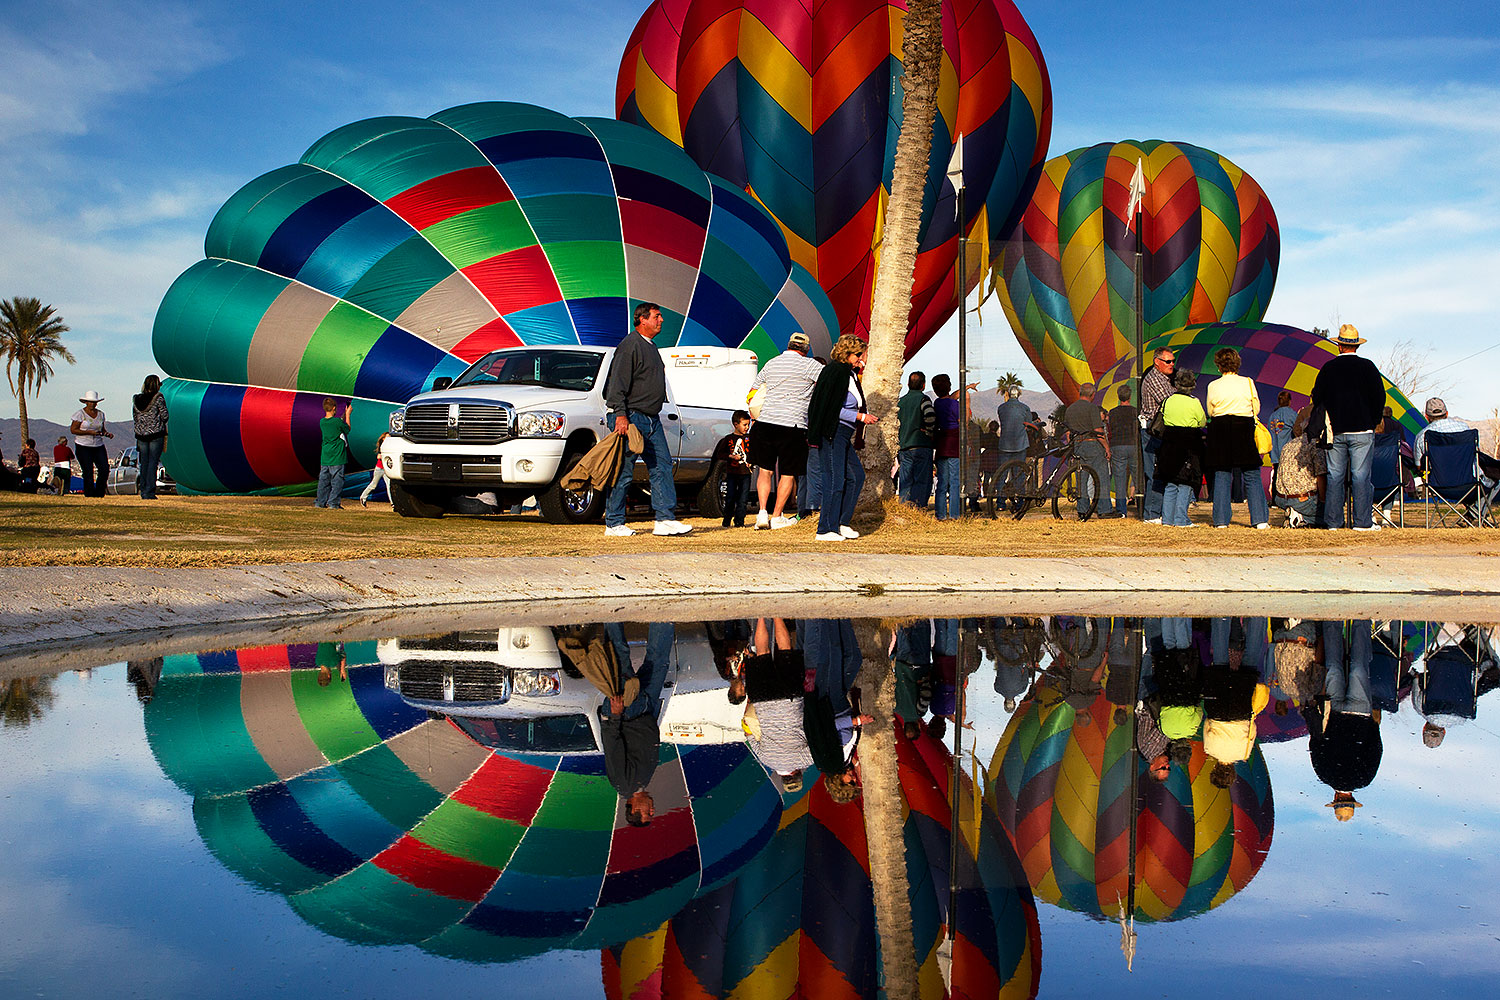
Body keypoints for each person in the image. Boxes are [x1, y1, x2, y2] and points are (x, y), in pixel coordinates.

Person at [603, 302, 692, 537]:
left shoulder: (651, 347)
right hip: (631, 417)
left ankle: (664, 519)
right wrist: (621, 415)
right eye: (656, 316)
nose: (661, 320)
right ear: (642, 319)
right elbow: (617, 384)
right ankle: (614, 523)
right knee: (624, 470)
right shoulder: (629, 345)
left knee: (662, 465)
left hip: (652, 419)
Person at [1311, 324, 1385, 530]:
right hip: (1363, 430)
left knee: (1335, 476)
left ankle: (1333, 522)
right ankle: (1362, 522)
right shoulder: (1368, 367)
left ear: (1339, 345)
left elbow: (1317, 396)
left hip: (1336, 431)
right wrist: (1373, 420)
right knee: (1361, 476)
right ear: (1357, 346)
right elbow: (1379, 397)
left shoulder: (1328, 368)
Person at [747, 331, 822, 529]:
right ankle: (777, 516)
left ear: (788, 345)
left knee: (765, 471)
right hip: (793, 425)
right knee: (787, 473)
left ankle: (762, 512)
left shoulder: (771, 363)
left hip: (765, 423)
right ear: (806, 349)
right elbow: (827, 384)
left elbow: (753, 392)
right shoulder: (810, 365)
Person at [806, 335, 877, 541]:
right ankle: (824, 529)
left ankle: (841, 522)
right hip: (832, 432)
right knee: (834, 480)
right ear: (847, 353)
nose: (860, 358)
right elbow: (831, 408)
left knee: (856, 476)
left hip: (844, 434)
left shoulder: (849, 374)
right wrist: (860, 417)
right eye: (858, 354)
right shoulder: (835, 372)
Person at [743, 618, 814, 794]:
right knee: (762, 652)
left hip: (791, 699)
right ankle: (761, 616)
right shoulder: (766, 760)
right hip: (762, 700)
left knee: (785, 650)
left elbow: (816, 735)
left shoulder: (805, 760)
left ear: (798, 775)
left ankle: (776, 615)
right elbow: (748, 733)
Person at [1205, 347, 1270, 529]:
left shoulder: (1213, 385)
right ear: (1237, 363)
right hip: (1243, 428)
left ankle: (1221, 521)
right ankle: (1260, 520)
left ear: (1218, 365)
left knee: (1222, 474)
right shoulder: (1247, 382)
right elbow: (1256, 408)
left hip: (1220, 428)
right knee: (1251, 474)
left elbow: (1210, 411)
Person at [1155, 370, 1206, 527]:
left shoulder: (1168, 400)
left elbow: (1163, 418)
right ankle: (1181, 519)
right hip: (1188, 444)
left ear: (1176, 384)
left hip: (1169, 443)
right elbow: (1202, 422)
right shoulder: (1194, 402)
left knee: (1171, 482)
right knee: (1186, 482)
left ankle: (1167, 519)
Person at [1273, 404, 1327, 527]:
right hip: (1302, 499)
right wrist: (1324, 501)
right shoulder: (1315, 445)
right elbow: (1321, 476)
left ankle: (1294, 514)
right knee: (1331, 517)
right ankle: (1301, 517)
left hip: (1281, 498)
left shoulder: (1288, 445)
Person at [1140, 348, 1176, 523]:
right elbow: (1170, 401)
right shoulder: (1154, 379)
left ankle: (1158, 511)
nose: (1172, 364)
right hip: (1153, 431)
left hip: (1161, 430)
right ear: (1157, 362)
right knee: (1155, 472)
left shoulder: (1165, 379)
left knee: (1161, 471)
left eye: (1173, 361)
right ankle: (1152, 514)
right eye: (1168, 361)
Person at [1063, 383, 1110, 518]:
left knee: (1081, 479)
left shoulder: (1070, 409)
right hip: (1092, 444)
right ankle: (1104, 509)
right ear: (1092, 395)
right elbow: (1098, 430)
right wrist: (1106, 447)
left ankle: (1082, 509)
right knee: (1101, 477)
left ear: (1080, 393)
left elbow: (1067, 433)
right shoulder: (1092, 408)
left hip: (1078, 445)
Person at [897, 371, 936, 507]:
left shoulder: (900, 401)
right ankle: (918, 508)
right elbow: (930, 417)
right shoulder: (924, 399)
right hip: (921, 445)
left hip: (904, 447)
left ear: (908, 384)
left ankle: (904, 508)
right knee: (922, 481)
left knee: (905, 481)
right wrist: (929, 432)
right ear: (923, 385)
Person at [711, 410, 754, 527]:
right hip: (732, 473)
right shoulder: (728, 439)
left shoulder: (749, 438)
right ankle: (727, 519)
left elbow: (754, 453)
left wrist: (751, 461)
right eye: (744, 425)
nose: (747, 427)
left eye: (748, 424)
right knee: (730, 497)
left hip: (746, 473)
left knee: (743, 499)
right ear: (736, 424)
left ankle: (740, 521)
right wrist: (731, 456)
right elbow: (720, 454)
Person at [132, 374, 169, 500]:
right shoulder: (158, 398)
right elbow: (165, 416)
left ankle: (143, 490)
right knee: (153, 463)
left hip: (141, 435)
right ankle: (149, 491)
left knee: (144, 463)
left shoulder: (136, 399)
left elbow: (135, 417)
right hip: (155, 434)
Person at [70, 390, 113, 497]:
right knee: (88, 471)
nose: (92, 404)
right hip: (83, 446)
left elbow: (102, 429)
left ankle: (99, 492)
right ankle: (89, 493)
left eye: (94, 402)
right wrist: (89, 432)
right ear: (86, 402)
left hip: (98, 445)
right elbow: (73, 430)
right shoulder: (80, 414)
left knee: (104, 468)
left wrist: (106, 434)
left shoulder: (101, 414)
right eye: (90, 402)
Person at [995, 386, 1031, 510]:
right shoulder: (1025, 408)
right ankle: (1020, 502)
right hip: (1020, 445)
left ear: (1008, 394)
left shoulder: (1001, 408)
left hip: (1005, 445)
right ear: (1018, 394)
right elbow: (1028, 425)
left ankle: (1000, 503)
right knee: (1019, 474)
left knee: (1002, 474)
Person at [1106, 383, 1139, 517]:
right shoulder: (1135, 411)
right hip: (1133, 444)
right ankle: (1142, 506)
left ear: (1118, 397)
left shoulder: (1112, 412)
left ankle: (1121, 510)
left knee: (1119, 478)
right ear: (1130, 397)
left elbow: (1110, 429)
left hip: (1117, 445)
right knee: (1137, 477)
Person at [932, 374, 961, 520]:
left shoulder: (936, 404)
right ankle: (954, 514)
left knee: (942, 482)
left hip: (941, 444)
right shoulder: (955, 405)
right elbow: (961, 420)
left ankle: (940, 514)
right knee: (955, 481)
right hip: (954, 444)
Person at [316, 397, 349, 509]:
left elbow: (335, 425)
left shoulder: (322, 422)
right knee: (337, 481)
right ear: (334, 408)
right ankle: (333, 503)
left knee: (323, 481)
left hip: (325, 456)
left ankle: (320, 502)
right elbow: (347, 429)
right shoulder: (337, 422)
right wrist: (348, 414)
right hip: (337, 456)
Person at [1267, 389, 1298, 470]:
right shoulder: (1292, 414)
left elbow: (1269, 435)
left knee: (1276, 476)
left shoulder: (1272, 416)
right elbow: (1298, 430)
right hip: (1288, 454)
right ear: (1289, 401)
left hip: (1275, 454)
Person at [360, 432, 391, 507]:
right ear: (383, 438)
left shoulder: (390, 446)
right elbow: (378, 457)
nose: (389, 438)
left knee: (389, 486)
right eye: (387, 437)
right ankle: (363, 497)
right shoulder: (382, 446)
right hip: (379, 469)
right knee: (374, 485)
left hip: (386, 469)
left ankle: (393, 503)